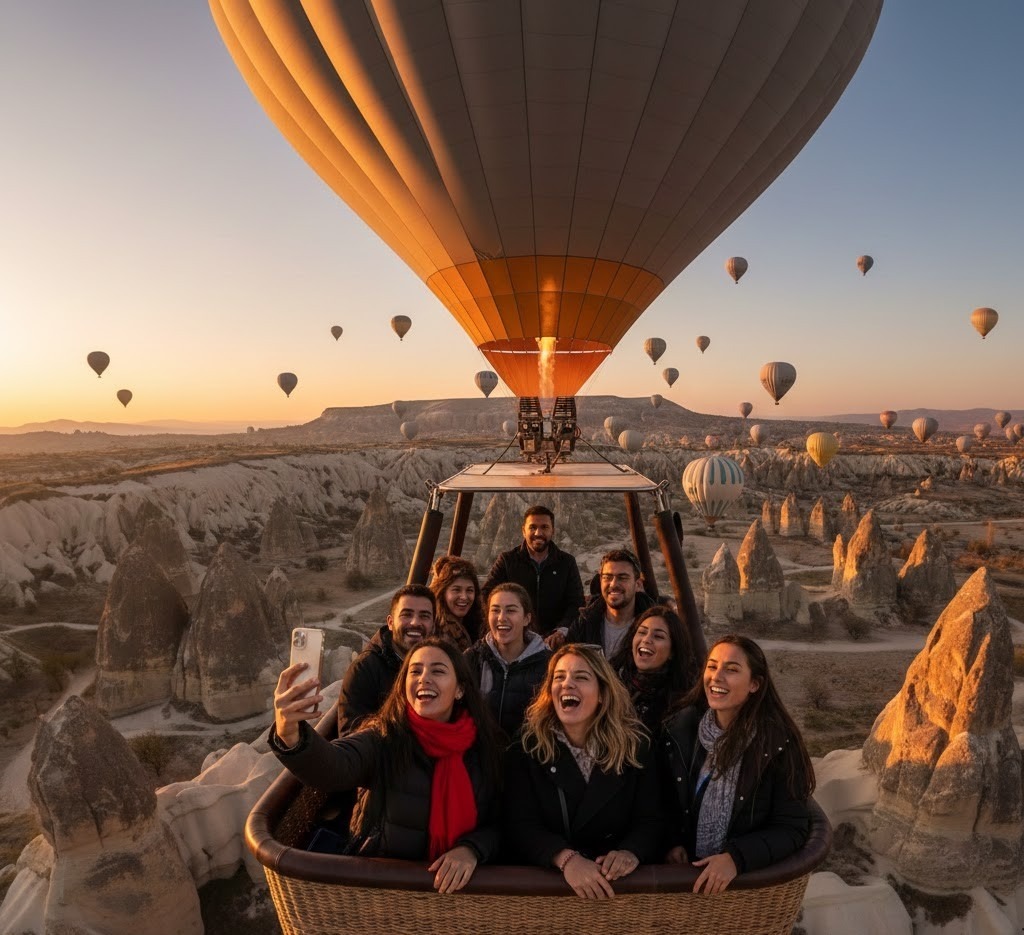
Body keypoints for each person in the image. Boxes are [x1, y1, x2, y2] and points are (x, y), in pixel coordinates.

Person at [271, 637, 502, 893]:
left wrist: (471, 849)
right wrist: (291, 734)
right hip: (386, 890)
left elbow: (500, 820)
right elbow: (335, 766)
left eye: (438, 670)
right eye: (415, 671)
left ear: (460, 689)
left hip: (456, 893)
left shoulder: (483, 747)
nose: (424, 678)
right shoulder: (383, 737)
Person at [502, 644, 663, 900]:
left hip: (614, 891)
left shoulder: (636, 748)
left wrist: (631, 852)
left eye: (581, 677)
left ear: (602, 693)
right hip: (549, 891)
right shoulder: (527, 747)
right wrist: (566, 859)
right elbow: (519, 824)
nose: (567, 684)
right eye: (559, 677)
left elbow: (651, 818)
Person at [663, 635, 815, 895]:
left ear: (754, 684)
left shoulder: (777, 745)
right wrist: (670, 842)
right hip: (686, 879)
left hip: (738, 891)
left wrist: (736, 858)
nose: (717, 677)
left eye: (731, 670)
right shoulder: (682, 730)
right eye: (712, 667)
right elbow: (663, 799)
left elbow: (792, 828)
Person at [337, 585, 435, 735]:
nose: (415, 622)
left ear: (433, 626)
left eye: (424, 616)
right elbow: (351, 738)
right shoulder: (365, 669)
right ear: (390, 622)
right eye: (407, 615)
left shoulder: (439, 666)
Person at [481, 504, 584, 638]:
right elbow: (487, 594)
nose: (538, 533)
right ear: (524, 531)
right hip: (516, 636)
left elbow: (576, 602)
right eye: (532, 527)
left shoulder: (567, 562)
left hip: (554, 639)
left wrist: (561, 630)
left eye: (544, 527)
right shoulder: (507, 561)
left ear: (553, 530)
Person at [464, 582, 551, 739]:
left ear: (526, 618)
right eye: (495, 610)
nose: (501, 618)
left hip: (529, 756)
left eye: (511, 610)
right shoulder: (473, 658)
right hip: (483, 755)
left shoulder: (548, 664)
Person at [607, 605, 698, 734]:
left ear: (672, 651)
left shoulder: (680, 707)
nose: (646, 640)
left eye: (658, 637)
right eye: (642, 632)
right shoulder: (610, 684)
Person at [559, 550, 655, 656]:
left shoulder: (654, 627)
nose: (613, 584)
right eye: (607, 577)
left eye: (622, 578)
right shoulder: (583, 625)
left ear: (637, 584)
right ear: (600, 581)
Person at [429, 555, 484, 652]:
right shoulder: (436, 632)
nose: (464, 597)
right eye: (456, 590)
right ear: (442, 593)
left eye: (469, 590)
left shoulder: (476, 624)